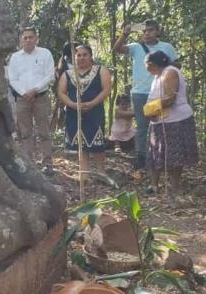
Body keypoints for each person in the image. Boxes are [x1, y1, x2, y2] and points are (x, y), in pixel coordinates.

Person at [113, 19, 178, 172]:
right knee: (142, 127)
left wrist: (163, 67)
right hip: (139, 93)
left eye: (150, 30)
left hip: (160, 92)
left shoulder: (166, 47)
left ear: (157, 31)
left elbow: (177, 64)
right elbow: (117, 49)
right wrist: (125, 34)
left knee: (161, 125)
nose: (147, 33)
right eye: (144, 31)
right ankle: (141, 158)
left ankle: (161, 157)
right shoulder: (136, 47)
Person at [143, 50, 198, 199]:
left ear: (151, 63)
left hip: (176, 120)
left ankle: (175, 189)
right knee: (155, 153)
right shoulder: (157, 75)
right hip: (159, 121)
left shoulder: (170, 72)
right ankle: (154, 185)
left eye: (146, 64)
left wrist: (151, 108)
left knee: (175, 156)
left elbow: (169, 98)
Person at [56, 44, 112, 184]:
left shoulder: (100, 70)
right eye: (78, 55)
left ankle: (101, 172)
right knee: (81, 144)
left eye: (84, 54)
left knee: (97, 142)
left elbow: (106, 90)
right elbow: (61, 93)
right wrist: (73, 105)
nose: (81, 58)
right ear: (74, 57)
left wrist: (92, 103)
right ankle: (84, 174)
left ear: (90, 56)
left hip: (95, 111)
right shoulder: (67, 74)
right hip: (74, 112)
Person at [7, 27, 56, 174]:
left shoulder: (45, 54)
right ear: (21, 40)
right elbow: (12, 79)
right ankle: (30, 164)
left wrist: (34, 89)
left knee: (44, 131)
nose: (28, 40)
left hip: (41, 97)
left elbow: (50, 75)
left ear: (36, 39)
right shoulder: (15, 58)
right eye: (25, 37)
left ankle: (48, 164)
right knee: (25, 132)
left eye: (31, 37)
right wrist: (24, 93)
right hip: (22, 99)